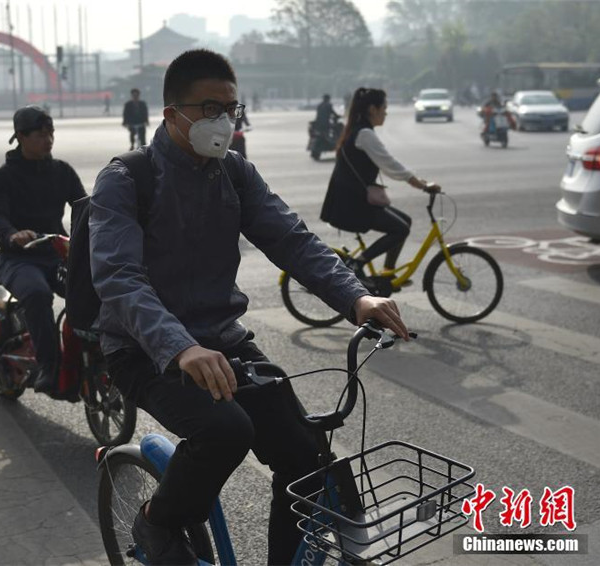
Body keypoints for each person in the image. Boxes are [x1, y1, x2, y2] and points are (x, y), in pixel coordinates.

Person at [90, 50, 408, 566]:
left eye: (231, 109)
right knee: (226, 428)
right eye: (210, 107)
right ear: (173, 114)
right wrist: (180, 347)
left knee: (305, 456)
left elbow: (292, 240)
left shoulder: (234, 173)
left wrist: (358, 297)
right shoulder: (127, 179)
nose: (223, 121)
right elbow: (120, 280)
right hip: (145, 351)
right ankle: (156, 524)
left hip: (222, 341)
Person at [0, 105, 87, 394]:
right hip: (18, 258)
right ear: (20, 136)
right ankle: (48, 366)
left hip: (57, 252)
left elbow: (83, 207)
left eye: (51, 133)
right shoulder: (2, 178)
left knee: (91, 289)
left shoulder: (62, 171)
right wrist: (12, 234)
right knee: (38, 294)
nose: (48, 140)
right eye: (41, 135)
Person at [320, 87, 441, 276]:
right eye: (384, 107)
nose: (386, 111)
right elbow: (389, 164)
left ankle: (387, 273)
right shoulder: (365, 134)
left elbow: (388, 164)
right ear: (372, 109)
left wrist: (418, 180)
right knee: (399, 229)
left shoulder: (357, 129)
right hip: (352, 204)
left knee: (405, 222)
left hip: (349, 199)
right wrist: (422, 185)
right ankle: (358, 263)